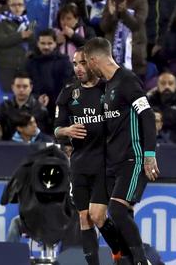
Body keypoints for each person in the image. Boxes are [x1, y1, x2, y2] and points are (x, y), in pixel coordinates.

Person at [83, 37, 159, 265]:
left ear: (94, 60)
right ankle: (123, 256)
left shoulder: (127, 80)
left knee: (117, 210)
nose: (87, 68)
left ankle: (139, 260)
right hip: (111, 162)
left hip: (131, 158)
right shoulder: (107, 88)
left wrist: (149, 154)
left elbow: (147, 115)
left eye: (86, 63)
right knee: (96, 214)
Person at [55, 47, 127, 264]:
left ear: (93, 63)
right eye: (75, 64)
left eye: (83, 63)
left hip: (104, 164)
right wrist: (66, 131)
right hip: (79, 163)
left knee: (97, 216)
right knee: (83, 218)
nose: (78, 68)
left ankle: (119, 252)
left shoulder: (109, 90)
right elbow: (56, 129)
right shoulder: (68, 93)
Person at [100, 0, 148, 78]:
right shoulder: (112, 1)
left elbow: (136, 25)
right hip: (112, 58)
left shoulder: (141, 1)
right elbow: (104, 27)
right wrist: (111, 15)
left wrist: (124, 12)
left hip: (134, 58)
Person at [26, 29, 74, 116]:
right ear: (38, 44)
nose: (46, 47)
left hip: (59, 108)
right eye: (43, 43)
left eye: (49, 43)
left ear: (55, 43)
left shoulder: (64, 62)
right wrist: (37, 98)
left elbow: (68, 86)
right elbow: (27, 85)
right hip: (35, 108)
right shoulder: (30, 63)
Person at [0, 72, 50, 141]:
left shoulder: (40, 110)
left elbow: (43, 137)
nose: (21, 90)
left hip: (34, 148)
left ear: (31, 87)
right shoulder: (4, 107)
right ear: (12, 87)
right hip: (8, 148)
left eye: (25, 86)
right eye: (18, 86)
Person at [0, 0, 32, 88]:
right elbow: (1, 41)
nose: (17, 7)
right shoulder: (1, 21)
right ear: (8, 6)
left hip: (25, 65)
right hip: (7, 66)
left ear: (24, 6)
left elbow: (34, 43)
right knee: (8, 96)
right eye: (13, 5)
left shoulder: (29, 22)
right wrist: (20, 36)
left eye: (20, 4)